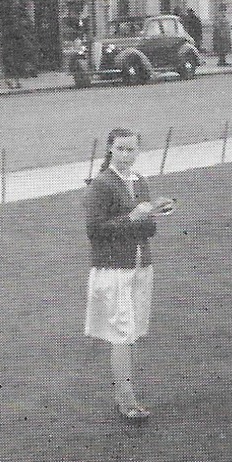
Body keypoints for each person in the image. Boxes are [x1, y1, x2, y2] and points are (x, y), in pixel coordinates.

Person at [84, 127, 172, 424]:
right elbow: (95, 231)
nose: (126, 155)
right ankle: (126, 400)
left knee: (131, 333)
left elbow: (149, 231)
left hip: (139, 266)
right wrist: (132, 218)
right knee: (122, 333)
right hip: (114, 270)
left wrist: (152, 213)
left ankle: (127, 393)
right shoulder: (101, 185)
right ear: (110, 149)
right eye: (120, 149)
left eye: (131, 149)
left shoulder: (140, 182)